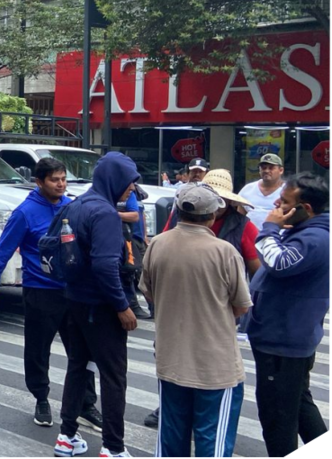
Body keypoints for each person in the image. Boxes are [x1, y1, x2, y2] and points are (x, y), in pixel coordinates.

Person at [0, 158, 102, 431]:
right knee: (38, 350)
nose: (60, 184)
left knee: (82, 350)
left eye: (63, 179)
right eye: (54, 180)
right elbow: (3, 249)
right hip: (40, 292)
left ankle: (85, 404)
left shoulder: (72, 207)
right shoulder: (25, 212)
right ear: (39, 181)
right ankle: (41, 398)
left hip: (73, 291)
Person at [140, 183, 251, 459]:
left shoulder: (158, 245)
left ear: (177, 211)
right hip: (215, 366)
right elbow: (240, 306)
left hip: (171, 358)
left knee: (171, 436)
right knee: (211, 440)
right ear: (213, 216)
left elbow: (149, 293)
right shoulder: (224, 252)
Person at [54, 152, 140, 459]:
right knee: (113, 376)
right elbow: (105, 267)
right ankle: (113, 448)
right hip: (100, 307)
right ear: (115, 179)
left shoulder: (76, 204)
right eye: (130, 182)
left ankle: (66, 437)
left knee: (78, 367)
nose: (132, 189)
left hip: (74, 299)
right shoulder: (104, 213)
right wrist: (122, 306)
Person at [246, 173, 332, 459]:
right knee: (299, 406)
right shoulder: (308, 233)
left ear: (305, 209)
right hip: (286, 336)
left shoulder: (316, 238)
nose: (277, 206)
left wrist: (269, 227)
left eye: (284, 202)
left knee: (278, 419)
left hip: (283, 341)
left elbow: (278, 262)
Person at [203, 169, 261, 277]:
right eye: (209, 197)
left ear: (229, 201)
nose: (214, 204)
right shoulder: (180, 218)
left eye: (220, 199)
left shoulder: (243, 226)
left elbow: (257, 273)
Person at [118, 189, 150, 319]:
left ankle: (151, 307)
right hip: (127, 238)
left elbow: (138, 215)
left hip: (136, 237)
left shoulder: (132, 193)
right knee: (131, 272)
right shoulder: (120, 193)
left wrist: (145, 235)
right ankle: (133, 305)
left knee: (141, 272)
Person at [238, 153, 286, 227]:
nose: (266, 171)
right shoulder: (248, 189)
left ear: (281, 170)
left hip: (277, 236)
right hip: (250, 237)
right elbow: (239, 217)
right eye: (263, 168)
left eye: (271, 168)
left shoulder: (287, 191)